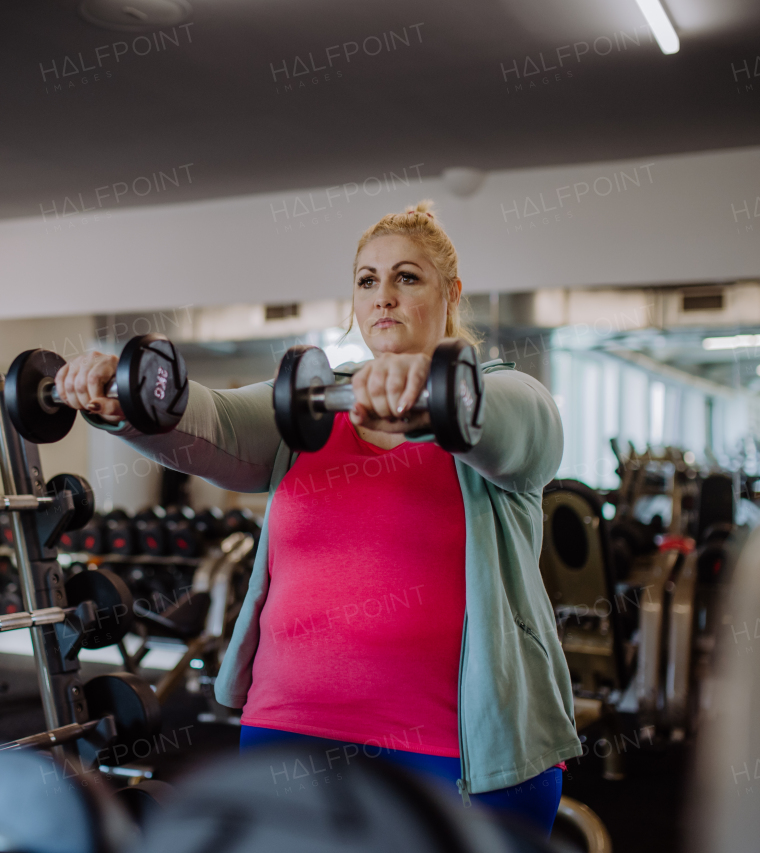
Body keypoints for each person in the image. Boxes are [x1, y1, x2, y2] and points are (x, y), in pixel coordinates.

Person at [54, 201, 580, 835]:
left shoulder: (506, 396)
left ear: (451, 293)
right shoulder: (307, 404)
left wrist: (426, 392)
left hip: (458, 750)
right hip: (289, 729)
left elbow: (514, 427)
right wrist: (125, 395)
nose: (383, 296)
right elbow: (210, 419)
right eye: (367, 280)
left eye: (407, 278)